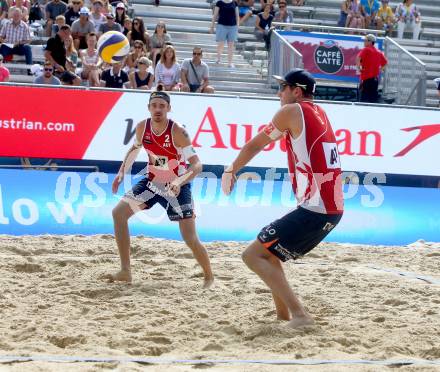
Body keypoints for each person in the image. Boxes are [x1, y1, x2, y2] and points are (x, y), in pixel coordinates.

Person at [221, 69, 343, 328]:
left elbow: (254, 145)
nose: (279, 93)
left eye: (283, 87)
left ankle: (300, 316)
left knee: (252, 256)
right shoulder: (319, 111)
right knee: (271, 253)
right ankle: (283, 315)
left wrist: (231, 169)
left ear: (296, 91)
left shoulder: (291, 111)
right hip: (330, 207)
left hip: (316, 208)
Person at [105, 90, 214, 288]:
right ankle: (125, 271)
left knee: (190, 238)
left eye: (162, 106)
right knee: (118, 213)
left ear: (168, 109)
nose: (158, 109)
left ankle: (208, 276)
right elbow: (134, 150)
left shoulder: (178, 131)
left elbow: (197, 165)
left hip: (176, 186)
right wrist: (121, 172)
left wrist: (179, 182)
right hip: (152, 182)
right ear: (149, 108)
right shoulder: (142, 127)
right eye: (154, 105)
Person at [356, 33, 387, 103]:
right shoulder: (379, 52)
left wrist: (359, 68)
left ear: (370, 42)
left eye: (365, 40)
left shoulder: (366, 49)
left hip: (366, 79)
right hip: (375, 80)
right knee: (372, 101)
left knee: (363, 101)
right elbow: (385, 63)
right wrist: (379, 69)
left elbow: (358, 58)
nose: (364, 42)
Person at [210, 0, 239, 68]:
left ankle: (230, 62)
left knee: (231, 45)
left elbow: (237, 16)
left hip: (232, 26)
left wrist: (237, 27)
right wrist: (212, 26)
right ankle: (218, 58)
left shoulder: (234, 3)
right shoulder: (219, 2)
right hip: (222, 25)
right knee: (221, 44)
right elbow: (215, 15)